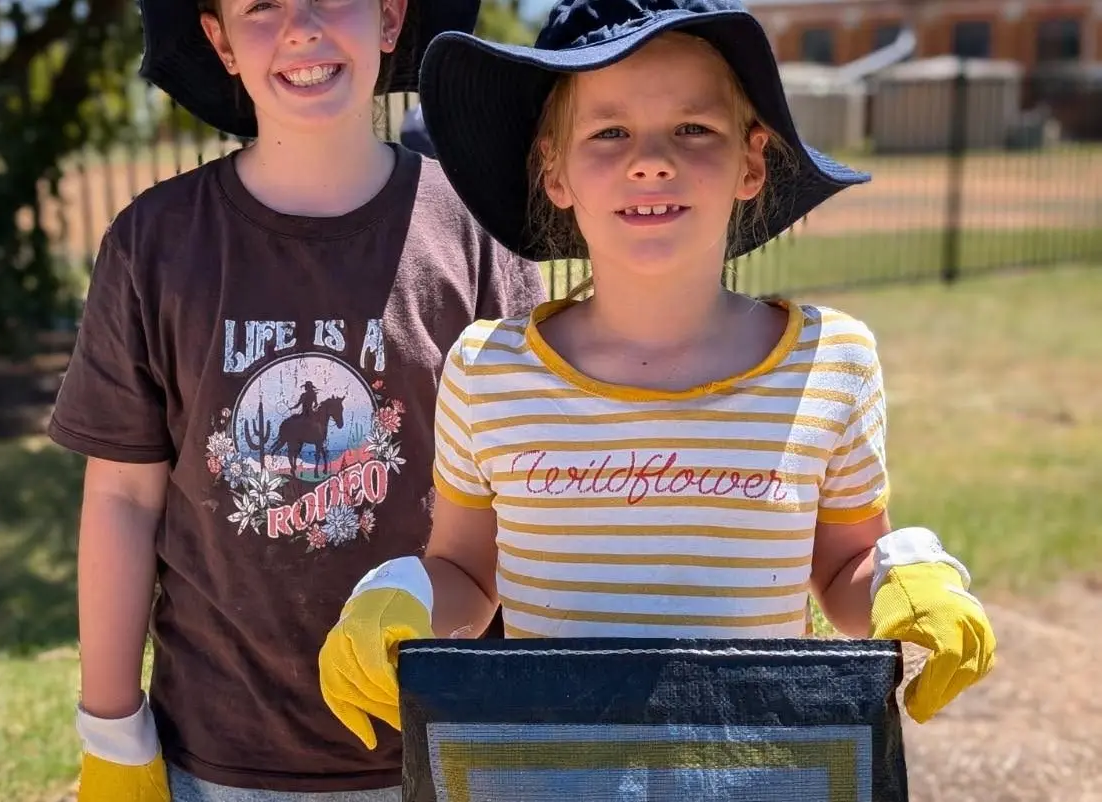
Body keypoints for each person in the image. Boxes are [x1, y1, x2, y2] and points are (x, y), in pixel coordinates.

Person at [317, 0, 997, 753]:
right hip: (552, 775)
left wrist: (906, 580)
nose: (650, 160)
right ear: (555, 171)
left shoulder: (830, 362)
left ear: (751, 160)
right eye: (609, 131)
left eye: (693, 128)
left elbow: (843, 570)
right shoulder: (488, 370)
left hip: (758, 773)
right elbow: (470, 578)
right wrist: (402, 596)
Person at [48, 0, 546, 799]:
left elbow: (524, 500)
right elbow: (121, 500)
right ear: (220, 42)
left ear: (389, 18)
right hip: (216, 754)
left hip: (448, 743)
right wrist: (111, 731)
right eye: (262, 6)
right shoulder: (156, 243)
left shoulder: (477, 234)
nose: (302, 26)